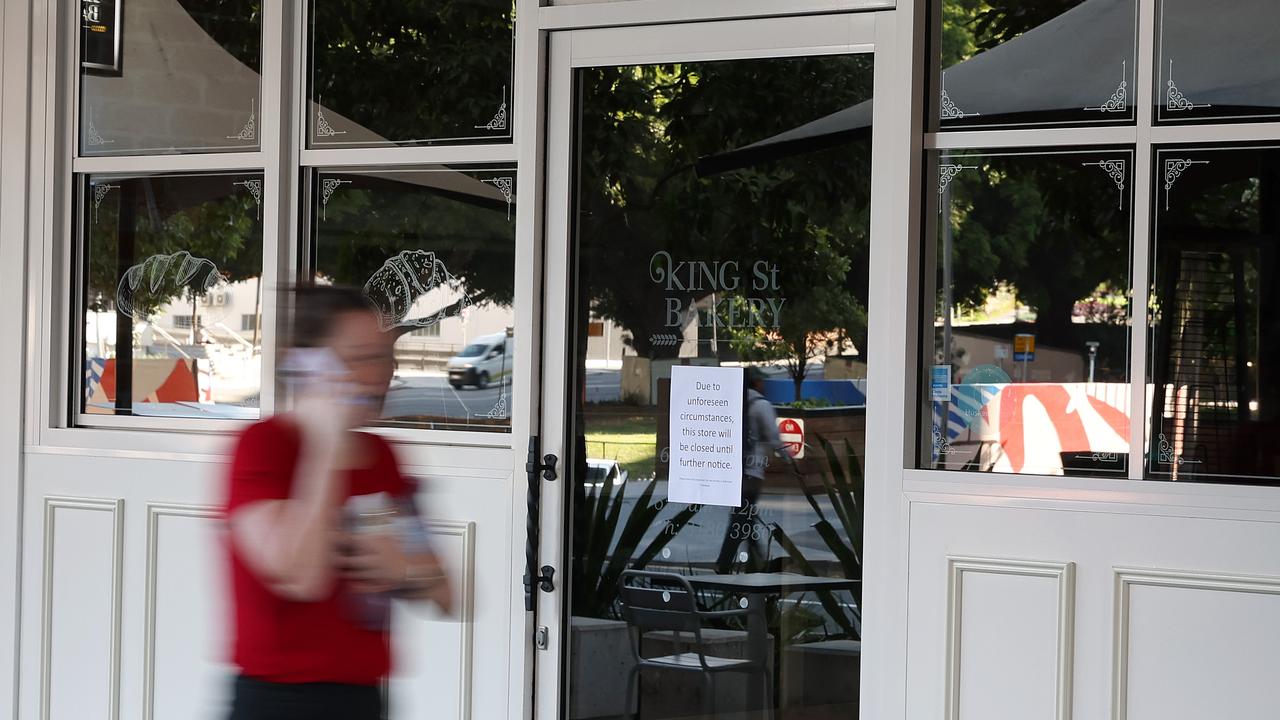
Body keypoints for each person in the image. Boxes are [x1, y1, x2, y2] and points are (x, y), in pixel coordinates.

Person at [222, 285, 451, 720]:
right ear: (307, 364)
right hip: (277, 703)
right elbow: (301, 574)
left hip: (362, 700)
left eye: (385, 356)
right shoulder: (263, 447)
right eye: (362, 357)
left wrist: (402, 569)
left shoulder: (383, 456)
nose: (380, 373)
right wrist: (326, 439)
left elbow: (447, 592)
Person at [715, 366, 791, 573]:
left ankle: (755, 562)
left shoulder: (732, 402)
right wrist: (789, 460)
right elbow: (774, 438)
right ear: (756, 382)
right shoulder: (760, 405)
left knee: (743, 516)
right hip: (752, 471)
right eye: (761, 381)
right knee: (741, 518)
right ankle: (725, 563)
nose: (764, 384)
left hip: (732, 470)